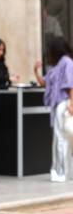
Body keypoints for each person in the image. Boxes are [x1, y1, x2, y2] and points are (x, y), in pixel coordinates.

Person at [34, 36, 73, 182]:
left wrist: (72, 104)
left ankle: (62, 172)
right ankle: (62, 171)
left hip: (64, 104)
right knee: (60, 138)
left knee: (62, 138)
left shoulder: (67, 63)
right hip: (58, 105)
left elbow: (71, 84)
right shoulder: (56, 66)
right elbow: (45, 83)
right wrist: (36, 71)